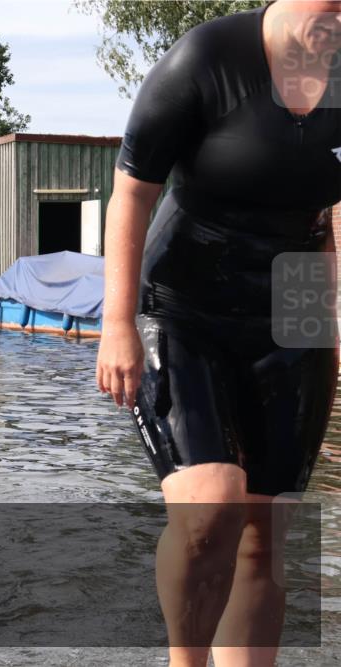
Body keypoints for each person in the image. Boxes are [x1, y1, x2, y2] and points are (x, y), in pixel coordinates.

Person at [95, 2, 340, 665]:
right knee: (212, 509)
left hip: (297, 301)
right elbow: (133, 192)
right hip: (183, 300)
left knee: (264, 537)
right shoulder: (207, 58)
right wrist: (116, 320)